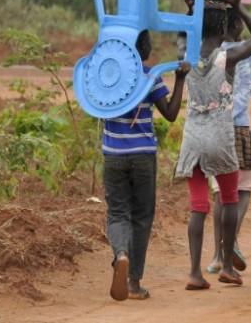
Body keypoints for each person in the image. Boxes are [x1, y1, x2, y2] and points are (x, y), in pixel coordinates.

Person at [175, 0, 251, 290]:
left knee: (198, 206)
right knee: (229, 199)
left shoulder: (184, 54)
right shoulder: (229, 57)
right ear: (224, 26)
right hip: (221, 138)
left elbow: (182, 33)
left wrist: (191, 8)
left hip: (193, 139)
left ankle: (194, 273)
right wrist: (239, 7)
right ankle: (226, 265)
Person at [104, 30, 190, 301]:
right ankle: (133, 282)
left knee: (118, 213)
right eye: (149, 41)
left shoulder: (107, 74)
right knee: (141, 217)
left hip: (113, 154)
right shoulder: (150, 76)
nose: (151, 45)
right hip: (142, 155)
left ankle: (121, 254)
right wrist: (180, 79)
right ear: (142, 46)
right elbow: (171, 114)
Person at [205, 9, 251, 275]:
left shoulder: (209, 53)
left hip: (213, 128)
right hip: (239, 127)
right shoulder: (248, 53)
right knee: (243, 189)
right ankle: (231, 241)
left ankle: (219, 254)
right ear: (239, 24)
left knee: (220, 192)